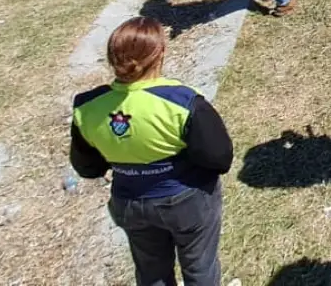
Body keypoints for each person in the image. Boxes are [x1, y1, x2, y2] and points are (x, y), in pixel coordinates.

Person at [71, 17, 233, 286]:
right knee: (200, 268)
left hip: (129, 201)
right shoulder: (183, 102)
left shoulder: (87, 107)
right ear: (160, 54)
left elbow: (87, 168)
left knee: (151, 272)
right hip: (185, 200)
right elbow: (220, 158)